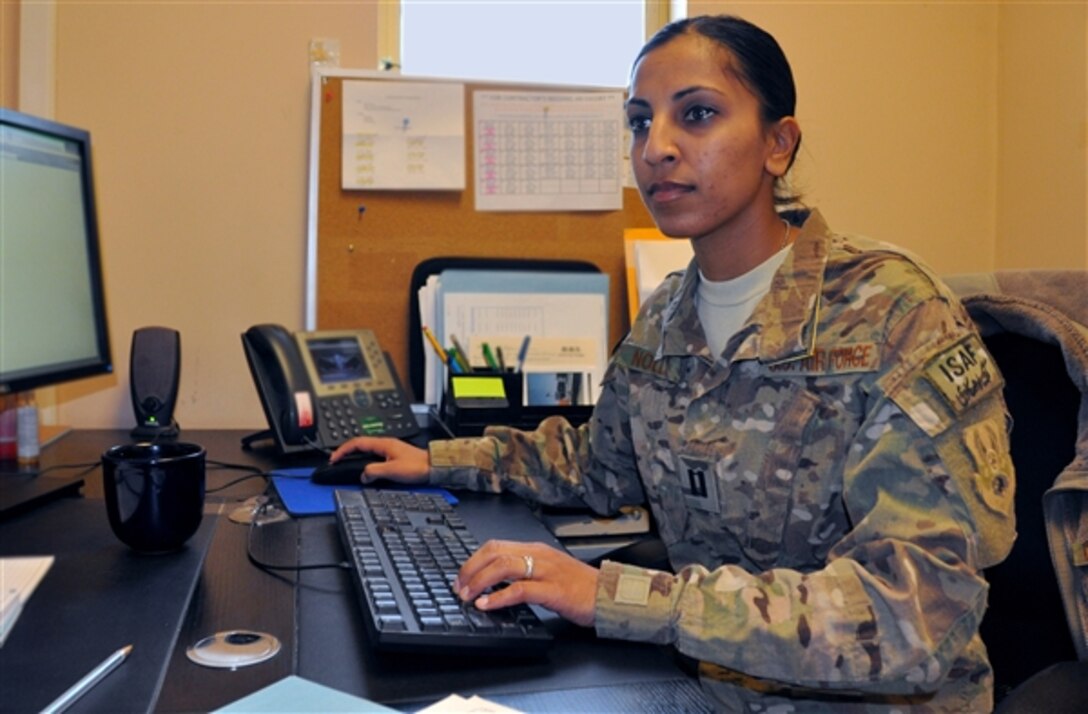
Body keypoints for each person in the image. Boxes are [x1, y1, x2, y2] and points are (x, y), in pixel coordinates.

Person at [331, 14, 1016, 711]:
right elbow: (598, 464)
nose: (655, 148)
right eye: (639, 122)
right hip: (706, 687)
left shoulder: (892, 311)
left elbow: (914, 613)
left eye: (697, 114)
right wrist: (439, 460)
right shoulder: (666, 316)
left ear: (778, 144)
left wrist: (617, 596)